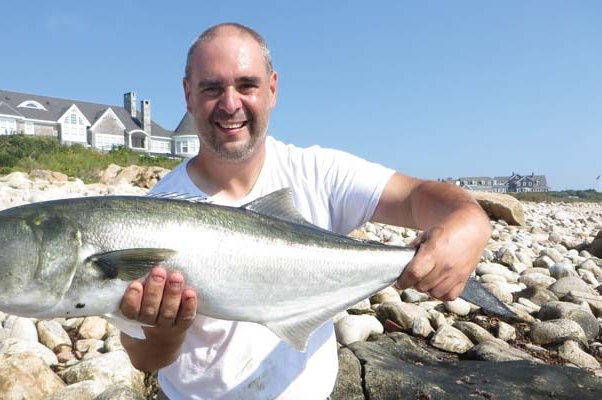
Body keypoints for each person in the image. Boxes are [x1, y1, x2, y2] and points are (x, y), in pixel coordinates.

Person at [119, 22, 491, 399]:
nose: (230, 104)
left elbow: (415, 195)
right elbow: (147, 361)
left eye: (246, 85)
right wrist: (165, 329)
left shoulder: (317, 173)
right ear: (188, 94)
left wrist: (470, 225)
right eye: (212, 88)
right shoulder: (151, 217)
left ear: (272, 89)